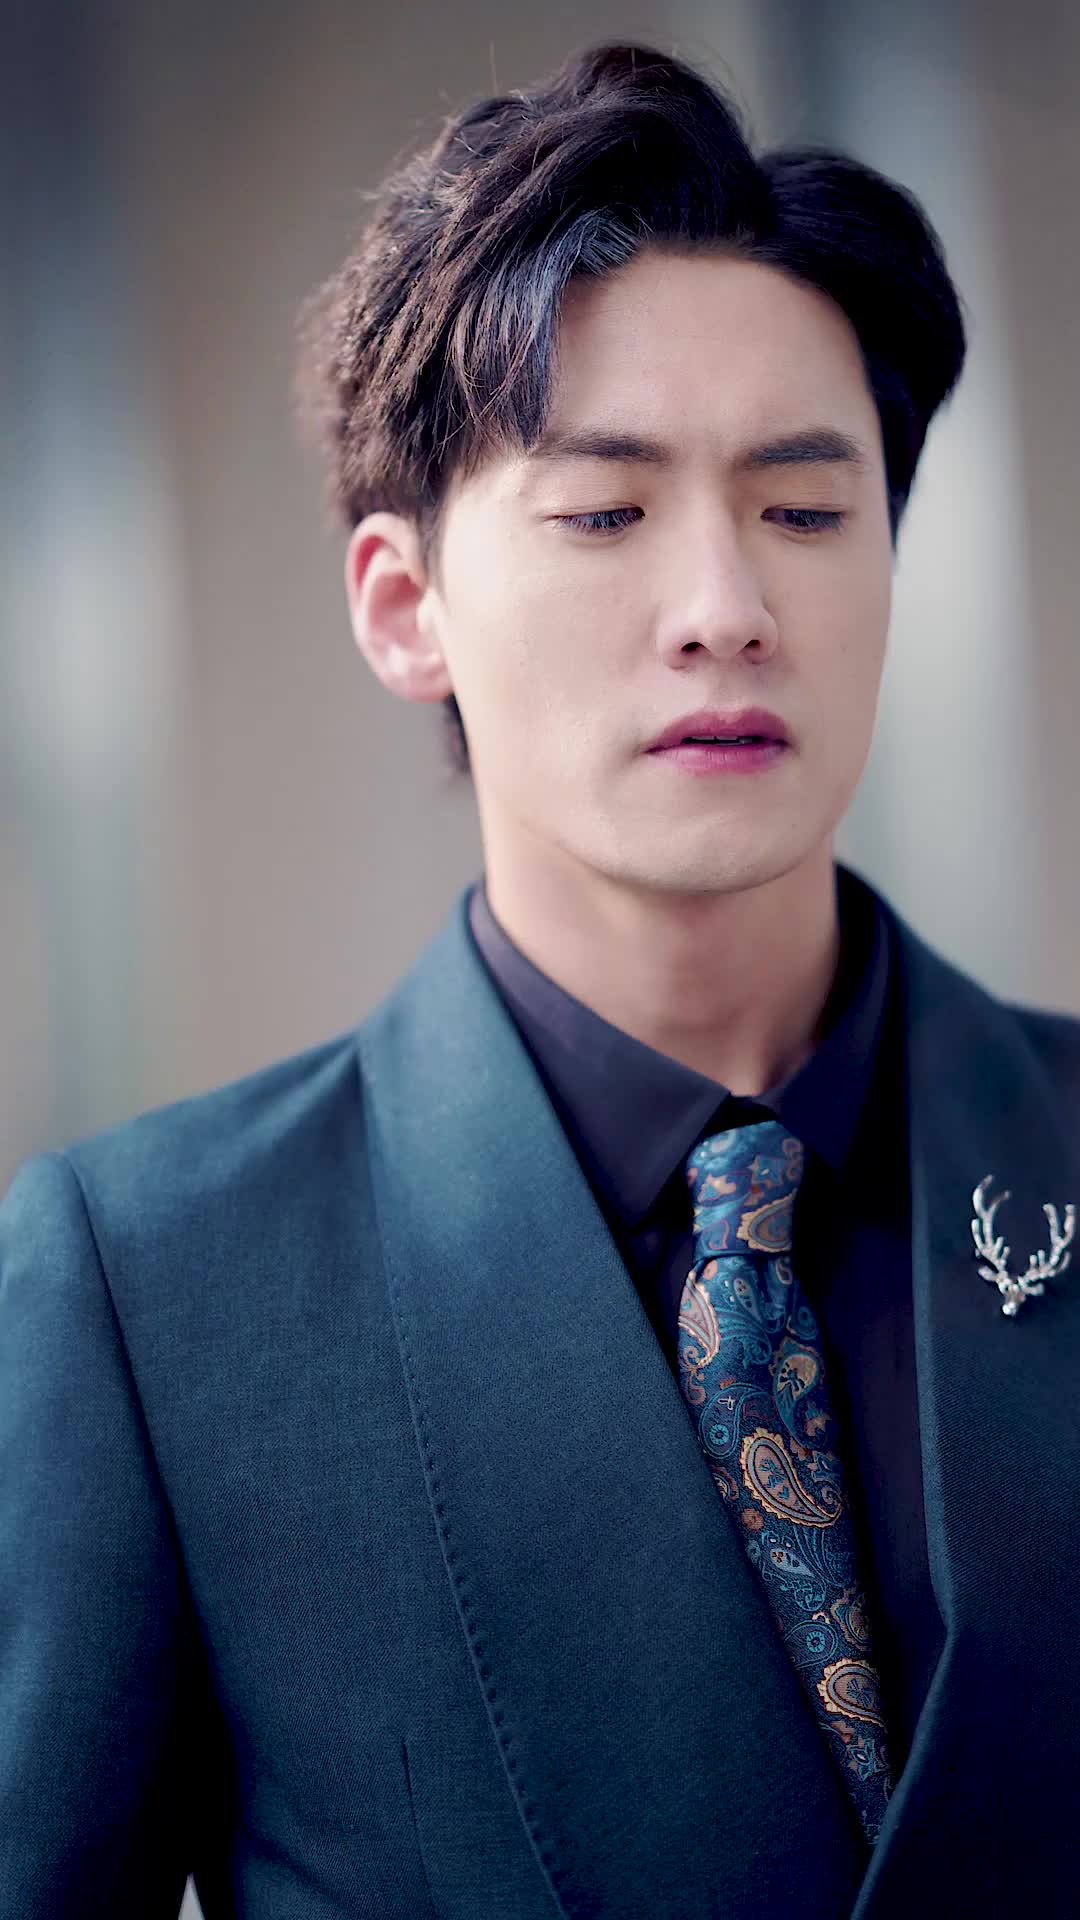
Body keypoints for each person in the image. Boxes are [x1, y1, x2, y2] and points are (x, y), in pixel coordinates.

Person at [3, 38, 1078, 1919]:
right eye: (605, 513)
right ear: (403, 605)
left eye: (807, 511)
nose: (725, 606)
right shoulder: (155, 1293)